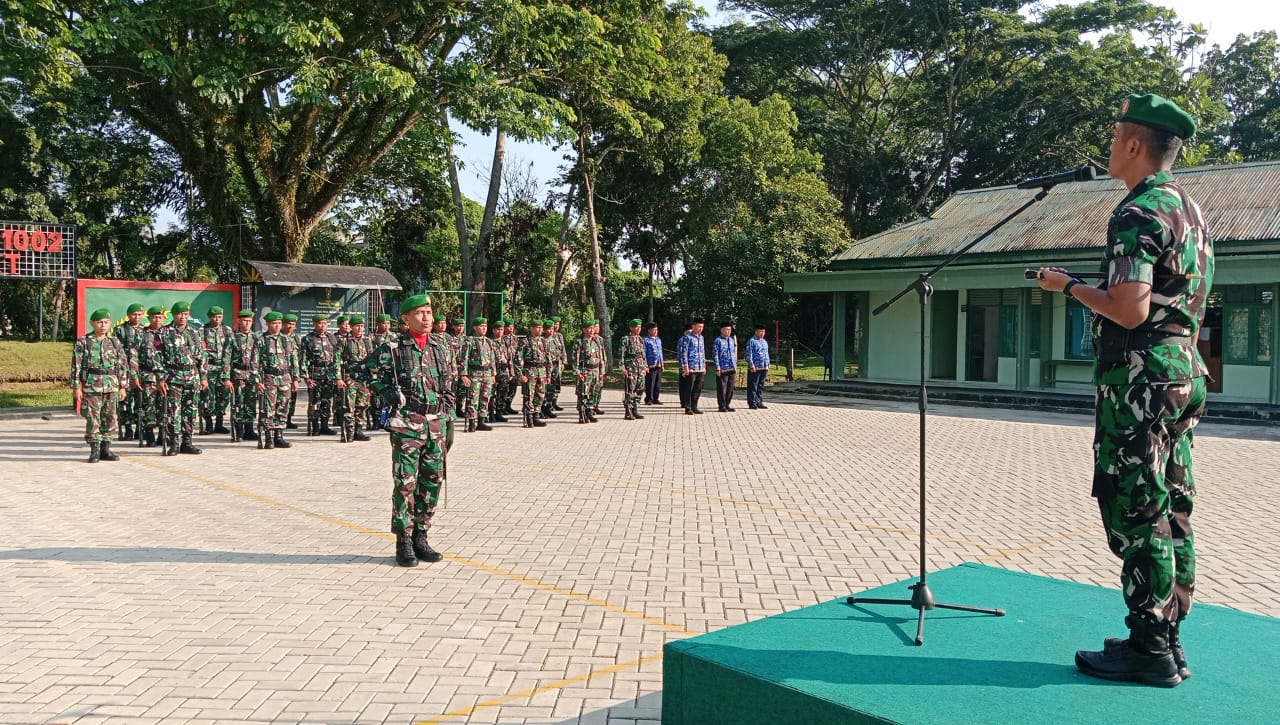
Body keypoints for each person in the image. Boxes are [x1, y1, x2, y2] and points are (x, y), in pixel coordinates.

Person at [1036, 93, 1211, 688]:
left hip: (1140, 381)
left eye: (1115, 139)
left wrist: (1067, 287)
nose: (1110, 149)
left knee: (1136, 506)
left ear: (1135, 145)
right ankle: (1167, 636)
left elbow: (1129, 310)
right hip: (1182, 374)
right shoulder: (1190, 210)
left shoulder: (1137, 212)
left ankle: (1148, 649)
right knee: (1172, 504)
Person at [350, 294, 455, 567]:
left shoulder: (440, 347)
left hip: (436, 424)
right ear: (406, 318)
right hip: (408, 424)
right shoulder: (393, 348)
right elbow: (360, 371)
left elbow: (447, 385)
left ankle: (421, 536)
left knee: (432, 482)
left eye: (429, 312)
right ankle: (404, 540)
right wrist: (385, 391)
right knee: (406, 483)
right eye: (420, 313)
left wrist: (449, 420)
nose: (427, 317)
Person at [72, 308, 131, 463]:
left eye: (106, 322)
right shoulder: (84, 341)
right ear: (92, 323)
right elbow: (76, 365)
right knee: (93, 417)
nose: (103, 325)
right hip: (92, 385)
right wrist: (76, 387)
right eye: (99, 322)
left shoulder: (114, 342)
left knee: (110, 417)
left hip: (112, 385)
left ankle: (106, 449)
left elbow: (122, 365)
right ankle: (94, 450)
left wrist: (123, 386)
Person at [158, 301, 208, 455]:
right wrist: (160, 378)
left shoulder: (195, 332)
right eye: (180, 314)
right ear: (173, 315)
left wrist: (203, 376)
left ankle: (187, 442)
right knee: (173, 411)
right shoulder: (163, 332)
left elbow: (202, 356)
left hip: (192, 376)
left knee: (191, 410)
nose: (183, 317)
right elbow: (157, 357)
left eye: (186, 314)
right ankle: (174, 443)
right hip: (173, 377)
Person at [257, 311, 300, 449]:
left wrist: (296, 378)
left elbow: (294, 360)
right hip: (269, 378)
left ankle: (279, 436)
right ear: (267, 324)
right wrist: (258, 380)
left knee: (283, 407)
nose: (277, 326)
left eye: (279, 323)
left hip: (285, 378)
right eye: (274, 323)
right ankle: (269, 437)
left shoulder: (287, 340)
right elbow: (255, 362)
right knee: (269, 409)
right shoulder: (261, 340)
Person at [336, 315, 375, 442]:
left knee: (363, 404)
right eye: (357, 326)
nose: (360, 329)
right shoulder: (344, 341)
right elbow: (336, 360)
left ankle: (359, 430)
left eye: (362, 326)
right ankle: (349, 431)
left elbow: (372, 359)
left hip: (364, 377)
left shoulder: (367, 340)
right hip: (349, 376)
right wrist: (338, 378)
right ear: (351, 327)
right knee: (349, 405)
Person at [134, 306, 169, 447]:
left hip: (166, 376)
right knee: (149, 404)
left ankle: (162, 434)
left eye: (160, 317)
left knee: (164, 404)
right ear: (148, 318)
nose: (157, 319)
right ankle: (149, 434)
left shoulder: (169, 333)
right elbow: (134, 356)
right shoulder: (141, 334)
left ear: (164, 318)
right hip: (148, 374)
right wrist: (134, 375)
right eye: (154, 317)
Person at [301, 315, 340, 436]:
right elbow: (303, 359)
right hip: (315, 374)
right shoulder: (308, 338)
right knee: (314, 402)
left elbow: (336, 358)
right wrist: (306, 377)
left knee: (326, 401)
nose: (322, 326)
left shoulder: (332, 338)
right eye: (320, 323)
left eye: (325, 323)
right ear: (314, 324)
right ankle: (315, 427)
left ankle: (324, 426)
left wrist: (337, 375)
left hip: (329, 375)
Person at [113, 303, 147, 441]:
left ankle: (140, 428)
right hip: (125, 372)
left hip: (142, 371)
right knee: (125, 402)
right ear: (128, 315)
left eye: (139, 314)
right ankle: (128, 429)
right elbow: (116, 351)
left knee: (141, 402)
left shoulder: (146, 330)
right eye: (134, 314)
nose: (137, 317)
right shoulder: (120, 330)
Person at [200, 306, 234, 435]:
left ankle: (219, 424)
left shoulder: (227, 330)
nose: (217, 319)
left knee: (223, 396)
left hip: (223, 368)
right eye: (215, 317)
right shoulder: (203, 330)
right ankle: (208, 424)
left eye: (220, 317)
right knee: (207, 396)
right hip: (209, 368)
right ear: (210, 317)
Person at [461, 316, 497, 432]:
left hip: (487, 373)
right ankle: (472, 421)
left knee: (485, 397)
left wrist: (493, 374)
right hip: (474, 373)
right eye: (481, 326)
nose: (484, 328)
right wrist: (463, 375)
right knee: (473, 398)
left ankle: (481, 421)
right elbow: (464, 358)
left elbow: (492, 359)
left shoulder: (489, 341)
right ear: (475, 327)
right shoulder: (469, 341)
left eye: (485, 326)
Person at [229, 309, 260, 442]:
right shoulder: (232, 337)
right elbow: (226, 358)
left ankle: (249, 430)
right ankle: (239, 431)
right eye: (244, 321)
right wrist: (226, 379)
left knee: (251, 402)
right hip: (238, 374)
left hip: (252, 375)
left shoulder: (256, 337)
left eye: (249, 321)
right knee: (239, 403)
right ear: (239, 321)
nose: (247, 323)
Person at [515, 319, 550, 427]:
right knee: (529, 395)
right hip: (530, 371)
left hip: (541, 371)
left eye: (540, 328)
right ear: (531, 328)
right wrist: (520, 374)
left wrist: (548, 374)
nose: (539, 330)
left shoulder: (544, 342)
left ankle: (536, 416)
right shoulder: (525, 341)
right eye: (537, 327)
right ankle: (528, 418)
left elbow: (548, 359)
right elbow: (518, 358)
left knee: (540, 395)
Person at [571, 319, 603, 424]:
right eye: (589, 328)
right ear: (584, 329)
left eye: (593, 328)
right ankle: (582, 414)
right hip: (585, 371)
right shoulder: (580, 342)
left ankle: (590, 412)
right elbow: (575, 358)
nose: (592, 330)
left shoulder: (596, 341)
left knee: (593, 393)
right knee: (583, 393)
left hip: (595, 371)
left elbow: (601, 358)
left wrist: (601, 371)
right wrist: (577, 372)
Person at [617, 318, 647, 421]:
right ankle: (628, 410)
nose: (639, 329)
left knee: (640, 389)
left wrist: (645, 366)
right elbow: (621, 355)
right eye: (636, 327)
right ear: (631, 328)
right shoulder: (625, 339)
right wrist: (622, 368)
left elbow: (643, 355)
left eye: (640, 327)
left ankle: (635, 408)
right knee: (630, 390)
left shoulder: (640, 339)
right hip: (630, 368)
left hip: (640, 368)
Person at [678, 319, 706, 415]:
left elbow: (703, 352)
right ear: (693, 326)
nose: (700, 329)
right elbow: (684, 353)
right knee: (689, 388)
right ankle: (688, 407)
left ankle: (695, 406)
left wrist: (704, 365)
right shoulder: (687, 338)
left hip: (700, 367)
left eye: (702, 327)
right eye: (699, 326)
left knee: (698, 388)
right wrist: (685, 366)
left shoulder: (701, 338)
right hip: (691, 367)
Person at [488, 320, 512, 424]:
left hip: (504, 369)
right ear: (493, 330)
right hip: (494, 369)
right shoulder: (490, 342)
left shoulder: (505, 341)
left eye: (502, 329)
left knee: (503, 392)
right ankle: (490, 414)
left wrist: (511, 371)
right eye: (498, 329)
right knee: (491, 392)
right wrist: (492, 373)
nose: (500, 331)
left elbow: (509, 357)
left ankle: (499, 412)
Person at [282, 313, 302, 429]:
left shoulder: (296, 338)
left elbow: (300, 356)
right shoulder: (279, 337)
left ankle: (289, 419)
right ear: (283, 324)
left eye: (293, 324)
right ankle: (281, 419)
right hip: (281, 372)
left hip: (293, 371)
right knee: (281, 398)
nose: (290, 326)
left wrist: (297, 376)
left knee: (292, 397)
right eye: (288, 324)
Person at [544, 317, 567, 416]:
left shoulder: (557, 337)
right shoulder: (544, 340)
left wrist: (563, 361)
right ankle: (545, 407)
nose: (555, 327)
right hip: (547, 366)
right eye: (554, 325)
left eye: (557, 325)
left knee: (555, 385)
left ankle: (552, 403)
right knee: (547, 387)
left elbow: (562, 349)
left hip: (556, 364)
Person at [713, 322, 738, 412]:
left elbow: (733, 354)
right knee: (722, 388)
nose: (728, 331)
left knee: (730, 387)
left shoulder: (731, 340)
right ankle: (722, 405)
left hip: (732, 367)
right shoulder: (718, 341)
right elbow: (715, 355)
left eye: (729, 330)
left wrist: (735, 365)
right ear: (722, 330)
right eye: (726, 330)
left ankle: (727, 404)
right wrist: (718, 367)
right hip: (722, 368)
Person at [746, 324, 771, 409]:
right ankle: (752, 402)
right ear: (756, 332)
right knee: (753, 385)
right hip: (755, 367)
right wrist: (751, 365)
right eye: (760, 332)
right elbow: (749, 354)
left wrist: (768, 364)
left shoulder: (764, 342)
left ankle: (759, 401)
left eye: (763, 332)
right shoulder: (752, 341)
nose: (762, 333)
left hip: (764, 367)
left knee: (761, 385)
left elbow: (766, 354)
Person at [643, 323, 664, 405]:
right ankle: (648, 399)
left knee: (657, 384)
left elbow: (660, 352)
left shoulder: (658, 339)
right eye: (653, 330)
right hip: (650, 365)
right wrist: (645, 365)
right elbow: (644, 354)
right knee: (650, 383)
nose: (655, 331)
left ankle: (656, 398)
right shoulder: (646, 340)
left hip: (658, 365)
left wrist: (662, 363)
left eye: (656, 330)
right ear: (649, 330)